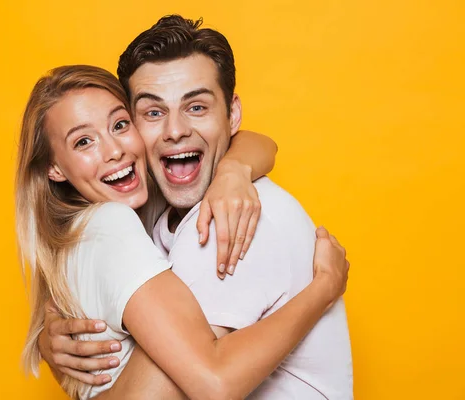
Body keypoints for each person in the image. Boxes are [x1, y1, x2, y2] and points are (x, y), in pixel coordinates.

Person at [38, 15, 353, 399]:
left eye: (197, 107)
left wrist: (324, 288)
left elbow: (211, 383)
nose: (174, 130)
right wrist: (47, 334)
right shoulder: (156, 216)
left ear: (232, 114)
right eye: (153, 113)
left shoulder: (226, 224)